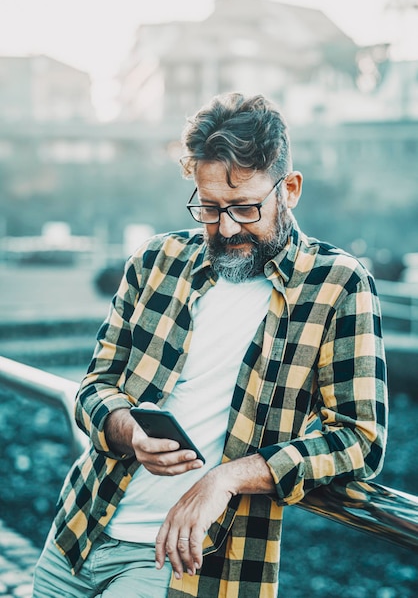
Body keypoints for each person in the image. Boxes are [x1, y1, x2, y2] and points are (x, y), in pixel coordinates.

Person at [33, 92, 388, 598]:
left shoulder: (339, 285)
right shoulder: (156, 260)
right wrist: (128, 430)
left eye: (245, 207)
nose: (225, 228)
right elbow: (96, 384)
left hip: (186, 564)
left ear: (290, 188)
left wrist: (227, 478)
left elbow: (360, 439)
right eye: (209, 208)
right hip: (79, 531)